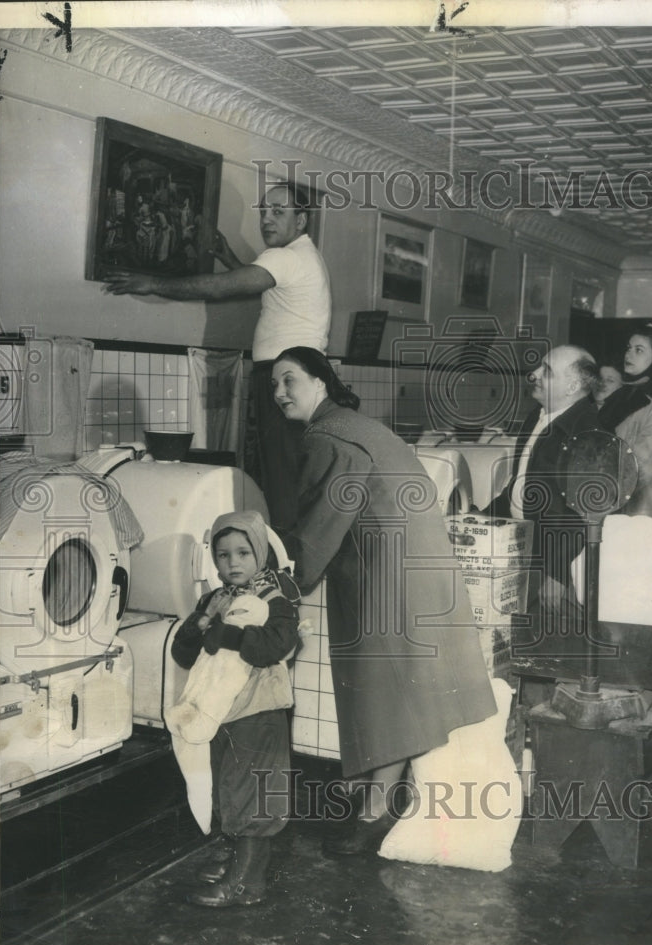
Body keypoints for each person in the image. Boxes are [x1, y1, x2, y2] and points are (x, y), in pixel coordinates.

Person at [271, 347, 501, 858]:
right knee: (389, 689)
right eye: (273, 386)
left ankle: (376, 810)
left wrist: (282, 581)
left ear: (321, 383)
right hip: (407, 564)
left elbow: (319, 523)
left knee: (389, 694)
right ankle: (366, 787)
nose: (279, 393)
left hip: (390, 574)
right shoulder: (355, 424)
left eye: (289, 380)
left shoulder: (328, 437)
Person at [104, 182, 332, 530]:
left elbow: (222, 287)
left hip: (287, 375)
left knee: (281, 479)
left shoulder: (286, 257)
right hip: (301, 375)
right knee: (286, 473)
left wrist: (152, 283)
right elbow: (260, 285)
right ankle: (289, 561)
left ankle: (287, 567)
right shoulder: (302, 256)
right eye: (264, 210)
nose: (266, 219)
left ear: (300, 221)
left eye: (278, 212)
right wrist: (228, 258)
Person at [169, 510, 300, 907]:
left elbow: (271, 647)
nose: (233, 562)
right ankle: (234, 859)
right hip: (221, 713)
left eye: (243, 552)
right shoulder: (214, 598)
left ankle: (247, 882)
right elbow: (183, 654)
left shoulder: (276, 599)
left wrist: (221, 633)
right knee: (229, 788)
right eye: (224, 555)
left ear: (259, 554)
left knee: (255, 794)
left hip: (260, 713)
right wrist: (196, 626)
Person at [484, 344, 602, 620]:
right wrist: (480, 517)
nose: (534, 374)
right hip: (528, 553)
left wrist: (558, 574)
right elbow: (520, 485)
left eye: (547, 371)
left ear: (572, 387)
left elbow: (582, 514)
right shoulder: (536, 418)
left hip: (561, 568)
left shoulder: (588, 434)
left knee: (556, 646)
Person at [597, 323, 652, 621]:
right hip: (608, 494)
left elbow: (646, 452)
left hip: (643, 499)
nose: (629, 354)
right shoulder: (622, 394)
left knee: (644, 587)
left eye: (639, 349)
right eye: (628, 348)